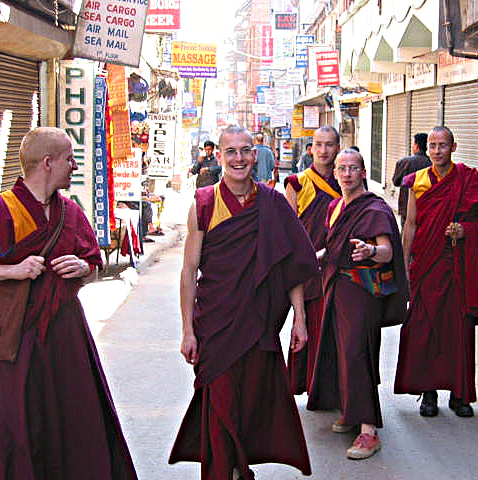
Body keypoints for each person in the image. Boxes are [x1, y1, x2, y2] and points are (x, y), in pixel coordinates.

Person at [0, 127, 138, 479]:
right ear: (48, 163)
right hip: (20, 336)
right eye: (70, 158)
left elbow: (93, 267)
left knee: (77, 423)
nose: (75, 166)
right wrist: (12, 270)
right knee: (13, 425)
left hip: (67, 334)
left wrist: (83, 268)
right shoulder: (0, 211)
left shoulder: (70, 213)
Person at [169, 126, 316, 480]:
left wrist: (300, 318)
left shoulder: (273, 203)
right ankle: (224, 470)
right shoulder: (203, 204)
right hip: (216, 321)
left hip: (260, 321)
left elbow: (291, 264)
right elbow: (189, 272)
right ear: (219, 157)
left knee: (251, 400)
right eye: (230, 152)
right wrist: (187, 330)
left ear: (255, 155)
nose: (238, 159)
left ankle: (238, 464)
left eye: (245, 151)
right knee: (220, 400)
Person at [307, 149, 408, 460]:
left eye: (353, 168)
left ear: (363, 172)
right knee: (337, 351)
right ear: (335, 173)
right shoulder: (335, 206)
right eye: (342, 168)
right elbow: (333, 246)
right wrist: (316, 257)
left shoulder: (374, 208)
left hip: (361, 293)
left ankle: (368, 431)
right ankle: (350, 411)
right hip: (335, 288)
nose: (347, 174)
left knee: (357, 353)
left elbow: (388, 251)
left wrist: (370, 250)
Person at [394, 126, 478, 418]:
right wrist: (404, 266)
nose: (438, 150)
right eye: (433, 145)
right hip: (427, 264)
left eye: (443, 145)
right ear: (427, 149)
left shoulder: (468, 179)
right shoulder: (418, 182)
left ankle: (460, 394)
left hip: (457, 265)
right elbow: (411, 224)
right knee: (426, 327)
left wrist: (467, 229)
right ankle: (429, 393)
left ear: (454, 147)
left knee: (458, 330)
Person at [284, 126, 342, 396]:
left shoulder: (346, 179)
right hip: (309, 265)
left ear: (337, 148)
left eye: (329, 145)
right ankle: (305, 382)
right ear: (311, 148)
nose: (323, 150)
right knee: (307, 320)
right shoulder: (297, 182)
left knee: (334, 327)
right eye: (318, 144)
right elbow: (289, 228)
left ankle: (331, 387)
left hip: (339, 265)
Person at [392, 133, 431, 228]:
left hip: (406, 207)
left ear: (416, 146)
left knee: (406, 232)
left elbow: (395, 182)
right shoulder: (431, 164)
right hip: (425, 208)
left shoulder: (404, 162)